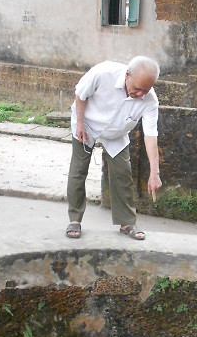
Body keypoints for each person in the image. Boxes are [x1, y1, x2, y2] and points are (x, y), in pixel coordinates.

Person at [65, 56, 162, 241]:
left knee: (123, 173)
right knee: (79, 170)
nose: (141, 94)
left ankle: (127, 222)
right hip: (87, 124)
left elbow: (151, 136)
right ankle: (75, 219)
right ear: (127, 75)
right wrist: (79, 123)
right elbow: (81, 95)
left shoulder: (150, 101)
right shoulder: (103, 73)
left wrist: (154, 172)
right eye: (137, 89)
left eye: (146, 90)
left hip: (116, 133)